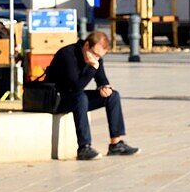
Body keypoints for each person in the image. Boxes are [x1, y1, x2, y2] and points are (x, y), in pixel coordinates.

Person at [45, 30, 139, 160]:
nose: (97, 58)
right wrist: (93, 67)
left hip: (75, 98)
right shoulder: (67, 54)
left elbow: (101, 79)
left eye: (100, 56)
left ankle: (115, 144)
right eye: (95, 54)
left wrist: (105, 87)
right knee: (81, 97)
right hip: (57, 99)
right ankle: (84, 147)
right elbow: (76, 87)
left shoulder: (96, 57)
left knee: (113, 96)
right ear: (87, 46)